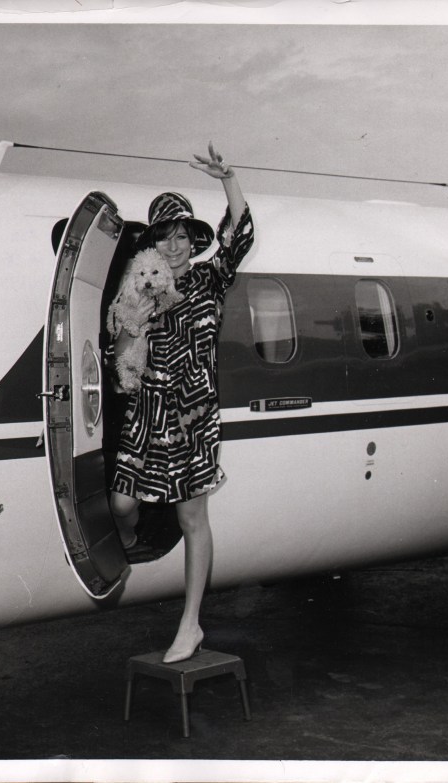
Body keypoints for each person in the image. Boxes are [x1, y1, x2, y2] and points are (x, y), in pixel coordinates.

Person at [110, 142, 254, 664]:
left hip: (193, 417)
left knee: (193, 522)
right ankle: (129, 547)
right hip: (148, 411)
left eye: (181, 236)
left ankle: (190, 625)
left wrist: (228, 178)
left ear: (193, 241)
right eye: (164, 239)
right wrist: (134, 321)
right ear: (151, 248)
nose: (174, 246)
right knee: (122, 505)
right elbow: (120, 355)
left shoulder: (210, 280)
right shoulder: (139, 291)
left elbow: (240, 231)